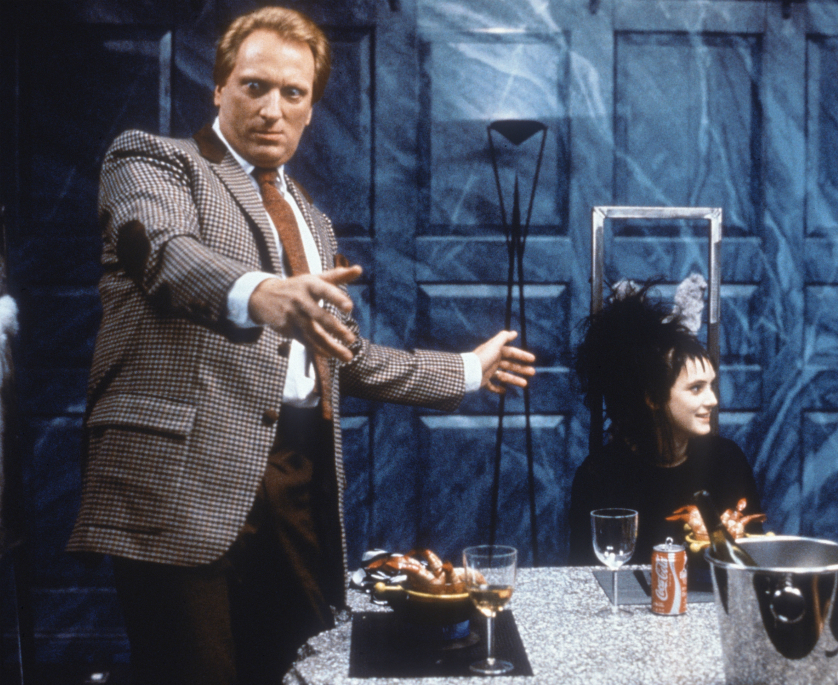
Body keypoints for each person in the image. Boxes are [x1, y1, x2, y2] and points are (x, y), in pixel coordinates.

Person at [66, 7, 535, 685]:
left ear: (311, 110)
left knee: (292, 670)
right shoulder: (154, 161)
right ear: (219, 88)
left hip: (295, 483)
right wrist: (260, 293)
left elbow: (344, 356)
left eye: (293, 93)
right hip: (179, 482)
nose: (272, 109)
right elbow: (165, 254)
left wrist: (467, 368)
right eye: (254, 86)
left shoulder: (312, 219)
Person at [567, 284, 761, 566]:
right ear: (653, 398)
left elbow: (755, 558)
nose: (713, 400)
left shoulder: (727, 460)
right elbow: (584, 574)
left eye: (711, 386)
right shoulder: (600, 476)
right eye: (696, 388)